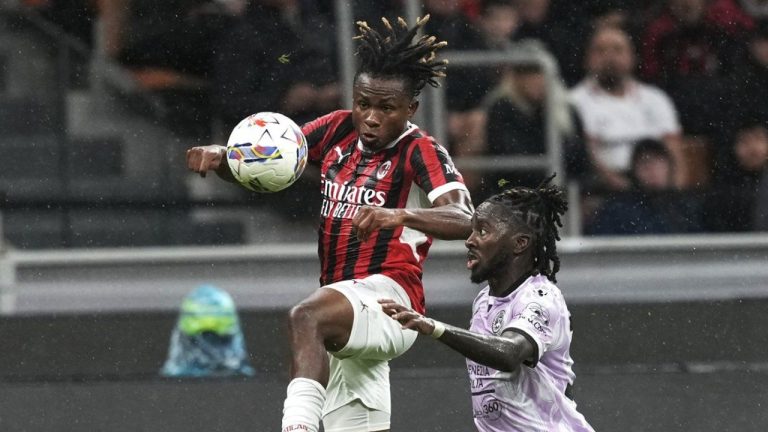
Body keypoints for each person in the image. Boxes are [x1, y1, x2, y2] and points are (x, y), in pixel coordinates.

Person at [186, 15, 474, 432]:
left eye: (386, 108)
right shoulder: (336, 128)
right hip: (344, 308)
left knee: (306, 316)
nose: (371, 118)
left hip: (392, 301)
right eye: (364, 104)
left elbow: (465, 218)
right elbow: (272, 161)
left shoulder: (420, 150)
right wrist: (224, 157)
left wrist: (402, 213)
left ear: (410, 108)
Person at [380, 176, 594, 432]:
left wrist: (434, 328)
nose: (470, 240)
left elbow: (509, 354)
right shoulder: (484, 300)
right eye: (471, 230)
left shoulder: (540, 298)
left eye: (482, 230)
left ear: (519, 243)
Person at [570, 25, 685, 191]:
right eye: (600, 51)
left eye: (618, 50)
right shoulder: (574, 101)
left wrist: (676, 195)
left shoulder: (656, 99)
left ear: (632, 57)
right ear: (587, 59)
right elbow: (589, 157)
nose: (609, 57)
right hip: (604, 191)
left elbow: (674, 152)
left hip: (657, 188)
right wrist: (627, 190)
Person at [586, 139, 703, 235]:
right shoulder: (617, 209)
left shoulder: (686, 207)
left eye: (658, 163)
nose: (652, 171)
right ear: (634, 171)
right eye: (644, 164)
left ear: (669, 167)